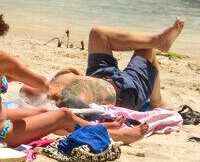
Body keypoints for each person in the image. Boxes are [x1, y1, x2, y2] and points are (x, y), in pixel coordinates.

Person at [0, 9, 147, 149]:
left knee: (41, 112)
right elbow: (39, 82)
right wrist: (46, 86)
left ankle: (99, 128)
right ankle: (116, 135)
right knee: (63, 115)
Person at [46, 19, 184, 113]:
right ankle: (157, 102)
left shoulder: (45, 91)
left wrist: (68, 76)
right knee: (146, 50)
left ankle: (157, 40)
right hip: (124, 92)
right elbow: (71, 117)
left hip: (99, 76)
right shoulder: (61, 102)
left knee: (98, 33)